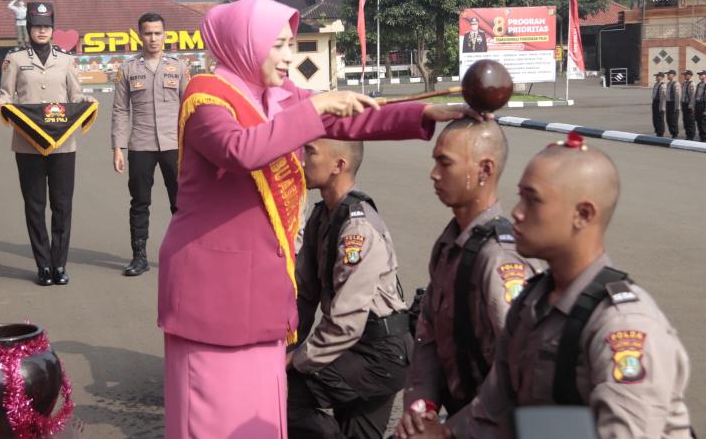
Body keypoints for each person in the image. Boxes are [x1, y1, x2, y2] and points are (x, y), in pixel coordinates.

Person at [157, 0, 484, 439]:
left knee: (260, 413)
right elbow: (241, 151)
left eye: (291, 45)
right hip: (214, 290)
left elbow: (350, 122)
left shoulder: (281, 96)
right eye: (278, 45)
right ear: (244, 44)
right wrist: (317, 107)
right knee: (213, 414)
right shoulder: (206, 94)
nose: (289, 56)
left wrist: (423, 114)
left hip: (261, 289)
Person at [400, 134, 692, 439]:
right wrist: (443, 433)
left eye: (533, 199)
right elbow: (494, 409)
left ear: (583, 214)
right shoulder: (533, 301)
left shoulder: (623, 325)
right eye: (521, 196)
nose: (517, 212)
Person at [395, 120, 536, 438]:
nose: (434, 173)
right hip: (462, 417)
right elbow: (428, 336)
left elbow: (519, 370)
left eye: (445, 163)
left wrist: (447, 431)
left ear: (485, 170)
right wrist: (422, 409)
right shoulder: (449, 245)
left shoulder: (500, 258)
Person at [287, 139, 413, 438]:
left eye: (311, 152)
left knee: (280, 396)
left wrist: (296, 359)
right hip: (357, 347)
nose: (300, 160)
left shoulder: (358, 229)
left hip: (378, 353)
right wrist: (288, 342)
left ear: (338, 165)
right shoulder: (323, 215)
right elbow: (305, 295)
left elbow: (346, 322)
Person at [0, 2, 96, 286]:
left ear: (52, 30)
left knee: (62, 205)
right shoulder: (14, 60)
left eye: (46, 26)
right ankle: (43, 266)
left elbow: (76, 94)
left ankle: (59, 263)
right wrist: (2, 101)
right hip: (27, 144)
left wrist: (85, 102)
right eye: (37, 26)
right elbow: (7, 93)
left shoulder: (65, 60)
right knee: (35, 205)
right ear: (29, 29)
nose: (42, 31)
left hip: (62, 144)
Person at [111, 12, 188, 276]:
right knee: (140, 201)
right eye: (148, 33)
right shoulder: (129, 69)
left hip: (174, 145)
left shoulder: (178, 67)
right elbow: (121, 110)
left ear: (165, 35)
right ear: (139, 35)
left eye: (157, 33)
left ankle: (183, 255)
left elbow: (190, 109)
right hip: (140, 145)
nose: (153, 38)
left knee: (181, 202)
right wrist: (118, 148)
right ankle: (139, 257)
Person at [680, 69, 696, 140]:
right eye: (684, 75)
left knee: (690, 121)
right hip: (684, 104)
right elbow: (682, 95)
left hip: (689, 105)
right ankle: (687, 135)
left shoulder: (692, 84)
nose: (685, 76)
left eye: (686, 75)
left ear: (690, 75)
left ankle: (691, 136)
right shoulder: (684, 83)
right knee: (685, 120)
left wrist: (691, 106)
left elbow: (693, 96)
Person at [665, 69, 681, 139]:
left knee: (673, 120)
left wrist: (677, 107)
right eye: (667, 74)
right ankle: (672, 133)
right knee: (668, 119)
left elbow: (677, 96)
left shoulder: (676, 84)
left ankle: (675, 134)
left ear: (673, 75)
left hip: (673, 104)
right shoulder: (668, 84)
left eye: (669, 74)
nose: (667, 75)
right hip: (668, 103)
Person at [651, 71, 667, 137]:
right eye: (656, 76)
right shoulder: (656, 84)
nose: (656, 77)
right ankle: (657, 131)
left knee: (660, 119)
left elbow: (663, 98)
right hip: (655, 102)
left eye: (658, 76)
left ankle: (660, 132)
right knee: (655, 118)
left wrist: (662, 107)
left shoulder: (662, 85)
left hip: (659, 103)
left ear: (662, 77)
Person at [695, 69, 706, 142]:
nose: (700, 76)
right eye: (699, 75)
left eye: (701, 74)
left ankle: (704, 138)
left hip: (703, 104)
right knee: (698, 121)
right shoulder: (699, 84)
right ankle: (701, 136)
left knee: (703, 122)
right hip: (698, 104)